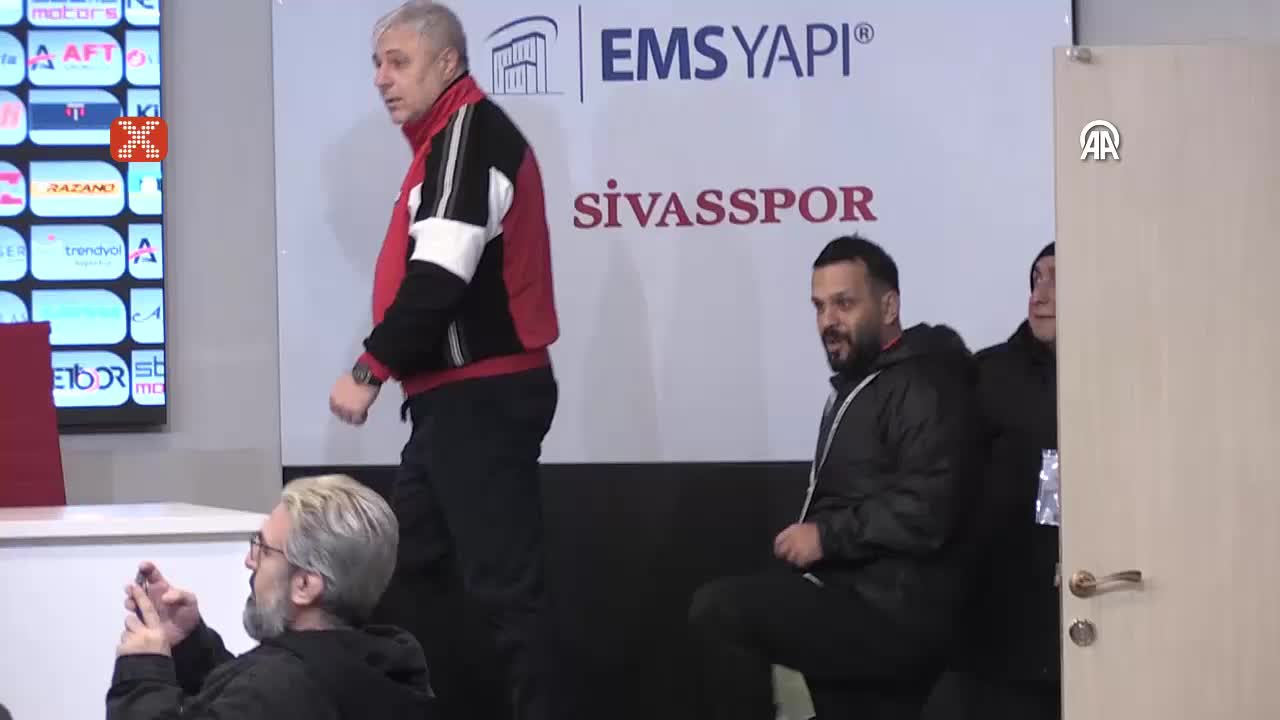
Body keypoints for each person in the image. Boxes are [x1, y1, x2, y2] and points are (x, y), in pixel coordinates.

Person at [326, 3, 562, 719]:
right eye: (376, 64)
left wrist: (368, 370)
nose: (381, 79)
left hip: (480, 399)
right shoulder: (446, 140)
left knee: (506, 595)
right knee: (411, 569)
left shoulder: (466, 135)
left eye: (398, 62)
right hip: (452, 401)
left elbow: (439, 275)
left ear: (448, 63)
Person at [688, 234, 982, 720]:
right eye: (819, 306)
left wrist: (825, 536)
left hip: (891, 614)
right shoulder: (867, 382)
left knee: (720, 611)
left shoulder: (924, 385)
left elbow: (929, 509)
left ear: (889, 306)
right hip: (862, 599)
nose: (828, 321)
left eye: (844, 303)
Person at [106, 474, 433, 719]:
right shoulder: (387, 667)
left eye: (263, 549)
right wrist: (190, 644)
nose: (250, 561)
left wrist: (142, 670)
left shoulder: (282, 687)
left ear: (305, 585)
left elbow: (267, 696)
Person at [939, 242, 1061, 720]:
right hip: (1002, 630)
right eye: (1036, 278)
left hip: (1093, 613)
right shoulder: (988, 375)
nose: (1039, 295)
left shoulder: (1130, 375)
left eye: (1057, 278)